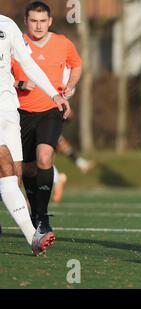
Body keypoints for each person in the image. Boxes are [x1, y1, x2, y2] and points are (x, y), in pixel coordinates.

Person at [0, 13, 71, 255]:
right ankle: (33, 236)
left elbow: (28, 64)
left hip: (9, 111)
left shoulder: (7, 25)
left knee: (14, 174)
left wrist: (53, 94)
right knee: (4, 165)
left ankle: (33, 235)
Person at [11, 2, 82, 235]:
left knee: (45, 156)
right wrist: (19, 83)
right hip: (20, 113)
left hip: (51, 110)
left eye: (43, 21)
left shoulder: (63, 43)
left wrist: (69, 86)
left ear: (50, 21)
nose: (38, 25)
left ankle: (42, 217)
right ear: (25, 21)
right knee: (27, 169)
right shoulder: (16, 44)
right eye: (33, 20)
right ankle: (34, 212)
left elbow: (77, 65)